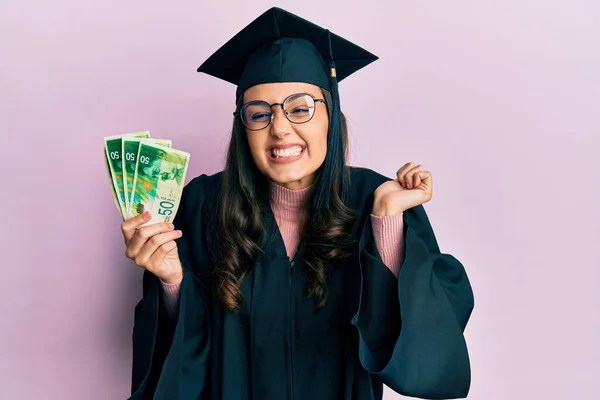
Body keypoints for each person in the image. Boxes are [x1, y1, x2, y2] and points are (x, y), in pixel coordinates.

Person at [120, 7, 474, 400]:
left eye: (300, 107)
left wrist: (387, 227)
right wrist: (172, 282)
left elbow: (427, 347)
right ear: (242, 127)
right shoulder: (204, 205)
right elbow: (182, 354)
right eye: (258, 113)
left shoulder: (375, 200)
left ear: (330, 116)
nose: (281, 128)